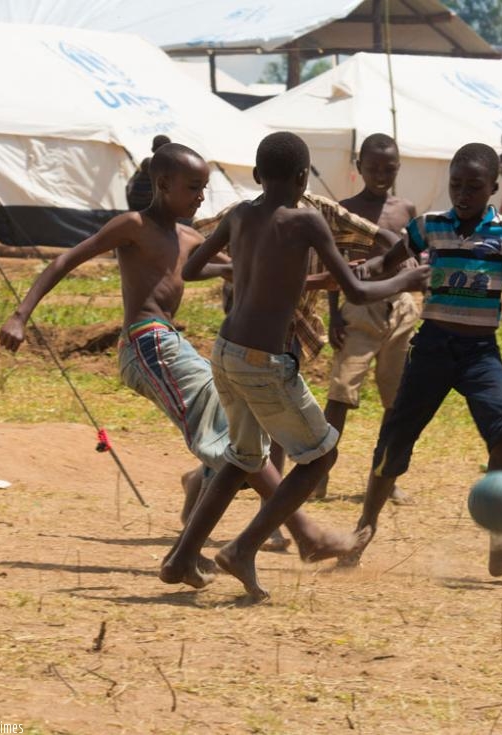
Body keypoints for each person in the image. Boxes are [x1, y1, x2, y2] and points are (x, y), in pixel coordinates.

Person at [0, 142, 361, 570]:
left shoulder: (190, 237)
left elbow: (250, 271)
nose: (200, 197)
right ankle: (303, 532)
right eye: (192, 187)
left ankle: (198, 509)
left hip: (170, 342)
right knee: (230, 436)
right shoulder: (132, 225)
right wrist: (21, 315)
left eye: (204, 188)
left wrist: (324, 281)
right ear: (162, 183)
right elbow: (66, 260)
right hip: (147, 342)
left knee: (237, 433)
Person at [159, 132, 429, 600]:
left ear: (259, 176)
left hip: (226, 352)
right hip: (265, 361)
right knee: (321, 456)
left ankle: (182, 556)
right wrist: (410, 277)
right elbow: (357, 292)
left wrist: (240, 270)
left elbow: (189, 268)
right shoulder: (307, 221)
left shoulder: (241, 214)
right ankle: (243, 547)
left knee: (242, 458)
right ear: (304, 178)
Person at [338, 142, 502, 576]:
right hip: (432, 348)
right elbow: (387, 266)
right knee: (395, 438)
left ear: (493, 187)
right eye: (456, 184)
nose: (463, 193)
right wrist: (361, 271)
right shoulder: (427, 226)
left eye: (474, 186)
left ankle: (501, 547)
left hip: (480, 353)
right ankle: (363, 530)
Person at [318, 133, 420, 502]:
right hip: (359, 310)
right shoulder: (344, 209)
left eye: (388, 168)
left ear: (397, 168)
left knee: (397, 401)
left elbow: (418, 252)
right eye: (373, 168)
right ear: (359, 167)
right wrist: (333, 315)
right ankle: (318, 475)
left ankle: (386, 477)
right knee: (341, 394)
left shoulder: (405, 208)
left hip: (401, 308)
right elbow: (332, 264)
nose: (381, 174)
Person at [125, 134, 172, 211]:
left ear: (153, 149)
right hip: (147, 207)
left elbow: (128, 186)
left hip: (134, 204)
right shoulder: (162, 166)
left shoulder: (146, 162)